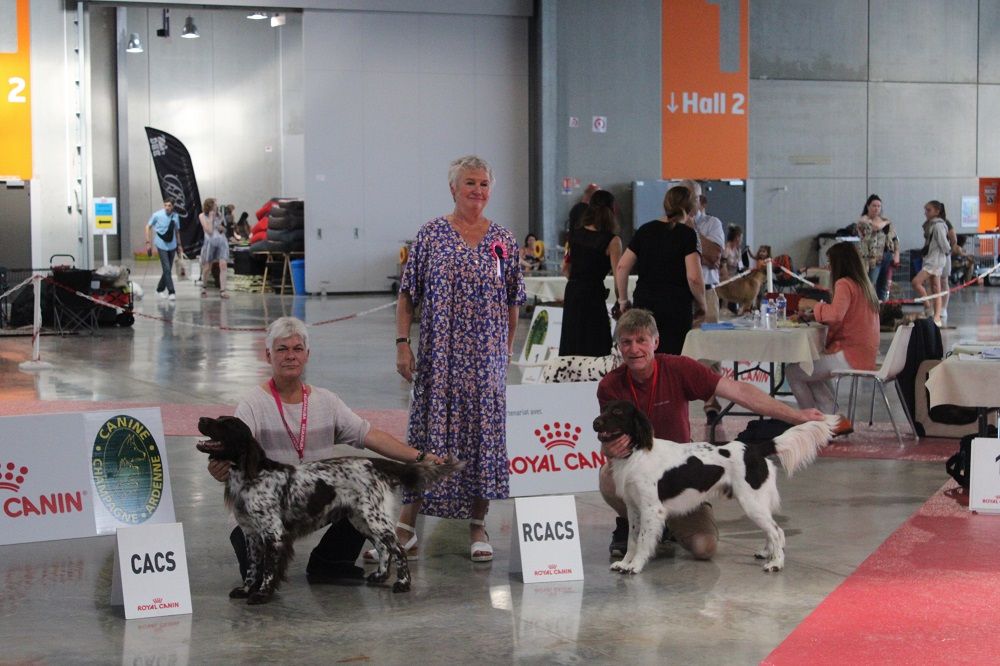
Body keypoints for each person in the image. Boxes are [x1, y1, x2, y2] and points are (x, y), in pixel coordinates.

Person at [206, 317, 442, 584]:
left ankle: (330, 564)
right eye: (282, 349)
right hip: (263, 510)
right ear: (268, 355)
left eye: (297, 349)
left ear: (307, 355)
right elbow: (235, 447)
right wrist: (220, 468)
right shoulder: (253, 404)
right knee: (257, 575)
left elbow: (370, 435)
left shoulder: (325, 401)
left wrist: (419, 457)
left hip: (311, 503)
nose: (290, 356)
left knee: (359, 492)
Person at [597, 308, 827, 559]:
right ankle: (635, 525)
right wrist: (608, 449)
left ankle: (667, 525)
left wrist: (796, 416)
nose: (634, 349)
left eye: (641, 340)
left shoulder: (679, 368)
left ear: (656, 341)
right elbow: (608, 439)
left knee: (704, 548)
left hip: (681, 475)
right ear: (618, 346)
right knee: (609, 476)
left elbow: (739, 391)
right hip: (640, 473)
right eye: (626, 342)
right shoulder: (610, 385)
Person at [392, 155, 525, 562]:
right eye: (470, 183)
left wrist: (504, 349)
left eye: (484, 184)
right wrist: (402, 342)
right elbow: (407, 295)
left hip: (485, 360)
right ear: (453, 188)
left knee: (482, 439)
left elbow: (513, 300)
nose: (478, 191)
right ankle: (407, 521)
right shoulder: (431, 235)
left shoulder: (503, 240)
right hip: (440, 356)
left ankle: (478, 523)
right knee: (428, 435)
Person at [787, 242, 880, 413]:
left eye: (830, 262)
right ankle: (831, 417)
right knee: (809, 369)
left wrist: (812, 304)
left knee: (794, 372)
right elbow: (844, 315)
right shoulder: (864, 285)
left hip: (850, 354)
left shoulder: (844, 284)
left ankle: (810, 420)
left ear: (839, 263)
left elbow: (836, 315)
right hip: (865, 353)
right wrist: (814, 315)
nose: (828, 266)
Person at [614, 184, 706, 355]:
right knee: (672, 360)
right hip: (676, 307)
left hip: (645, 305)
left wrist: (623, 301)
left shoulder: (645, 230)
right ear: (691, 208)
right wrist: (702, 304)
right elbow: (694, 277)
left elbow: (622, 266)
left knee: (645, 357)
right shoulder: (687, 234)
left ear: (665, 205)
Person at [559, 189, 623, 356]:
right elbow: (619, 276)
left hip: (573, 292)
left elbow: (565, 268)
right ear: (612, 211)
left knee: (572, 342)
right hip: (593, 294)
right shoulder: (612, 241)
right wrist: (621, 301)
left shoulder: (574, 235)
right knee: (595, 343)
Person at [911, 200, 950, 326]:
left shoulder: (938, 225)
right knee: (935, 288)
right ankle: (936, 317)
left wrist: (947, 252)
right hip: (931, 259)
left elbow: (944, 243)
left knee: (916, 282)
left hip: (935, 261)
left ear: (937, 211)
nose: (925, 213)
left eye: (928, 210)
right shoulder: (931, 224)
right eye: (925, 210)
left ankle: (929, 308)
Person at [855, 194, 899, 301]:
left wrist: (896, 254)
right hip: (872, 258)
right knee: (870, 283)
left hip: (886, 255)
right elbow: (875, 227)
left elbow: (894, 238)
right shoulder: (863, 220)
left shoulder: (884, 220)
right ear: (868, 206)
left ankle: (882, 310)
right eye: (874, 205)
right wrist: (887, 222)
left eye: (879, 206)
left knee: (883, 286)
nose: (877, 208)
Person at [145, 197, 183, 301]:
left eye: (169, 206)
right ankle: (171, 291)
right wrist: (148, 242)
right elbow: (147, 226)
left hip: (172, 245)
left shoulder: (175, 216)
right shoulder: (157, 215)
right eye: (165, 205)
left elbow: (177, 231)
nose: (167, 207)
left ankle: (159, 289)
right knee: (166, 268)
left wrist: (179, 245)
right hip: (161, 244)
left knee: (168, 270)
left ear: (173, 206)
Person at [199, 197, 230, 298]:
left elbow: (222, 228)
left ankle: (223, 290)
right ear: (210, 206)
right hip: (210, 242)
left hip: (221, 241)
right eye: (215, 204)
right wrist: (211, 218)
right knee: (207, 267)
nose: (217, 206)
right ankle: (204, 287)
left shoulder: (219, 215)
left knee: (223, 264)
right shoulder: (202, 216)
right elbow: (209, 231)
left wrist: (222, 228)